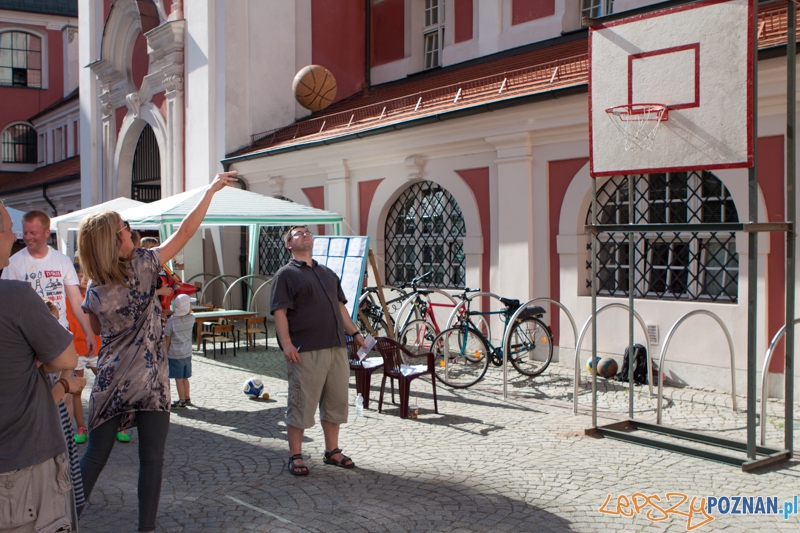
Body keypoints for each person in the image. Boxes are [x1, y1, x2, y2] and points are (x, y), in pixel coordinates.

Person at [76, 171, 237, 532]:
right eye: (125, 228)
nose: (130, 231)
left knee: (95, 457)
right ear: (113, 240)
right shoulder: (147, 264)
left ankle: (66, 523)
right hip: (149, 378)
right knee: (152, 460)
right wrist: (209, 191)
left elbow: (100, 332)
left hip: (112, 378)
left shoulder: (95, 290)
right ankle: (145, 529)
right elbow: (185, 231)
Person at [0, 201, 80, 532]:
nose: (15, 238)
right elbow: (65, 360)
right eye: (8, 231)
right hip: (21, 470)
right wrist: (62, 382)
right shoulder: (14, 295)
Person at [270, 225, 367, 476]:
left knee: (336, 402)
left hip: (336, 347)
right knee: (301, 403)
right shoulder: (285, 275)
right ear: (289, 245)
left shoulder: (327, 273)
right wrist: (287, 344)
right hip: (306, 349)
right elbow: (279, 313)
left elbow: (340, 308)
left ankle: (332, 451)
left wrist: (355, 334)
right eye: (298, 234)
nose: (305, 235)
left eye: (308, 232)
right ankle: (295, 455)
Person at [1, 209, 97, 357]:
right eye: (25, 233)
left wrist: (88, 332)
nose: (28, 237)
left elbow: (76, 300)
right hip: (30, 338)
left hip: (60, 333)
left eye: (33, 233)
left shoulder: (62, 260)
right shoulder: (14, 262)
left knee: (66, 373)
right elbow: (8, 304)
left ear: (46, 232)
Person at [43, 297, 89, 524]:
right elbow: (46, 405)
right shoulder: (37, 361)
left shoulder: (52, 358)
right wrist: (64, 385)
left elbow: (68, 366)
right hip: (48, 432)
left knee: (66, 478)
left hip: (60, 428)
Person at [67, 257, 101, 445]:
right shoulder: (68, 299)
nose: (83, 280)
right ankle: (80, 427)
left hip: (96, 348)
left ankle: (116, 425)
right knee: (77, 391)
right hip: (77, 350)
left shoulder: (96, 295)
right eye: (80, 276)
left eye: (86, 276)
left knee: (108, 385)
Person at [164, 294, 195, 409]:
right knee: (185, 377)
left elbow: (167, 338)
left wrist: (165, 353)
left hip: (175, 354)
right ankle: (187, 398)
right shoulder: (192, 319)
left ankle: (181, 400)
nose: (192, 306)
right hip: (187, 353)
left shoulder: (171, 322)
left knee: (179, 379)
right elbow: (183, 316)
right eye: (190, 304)